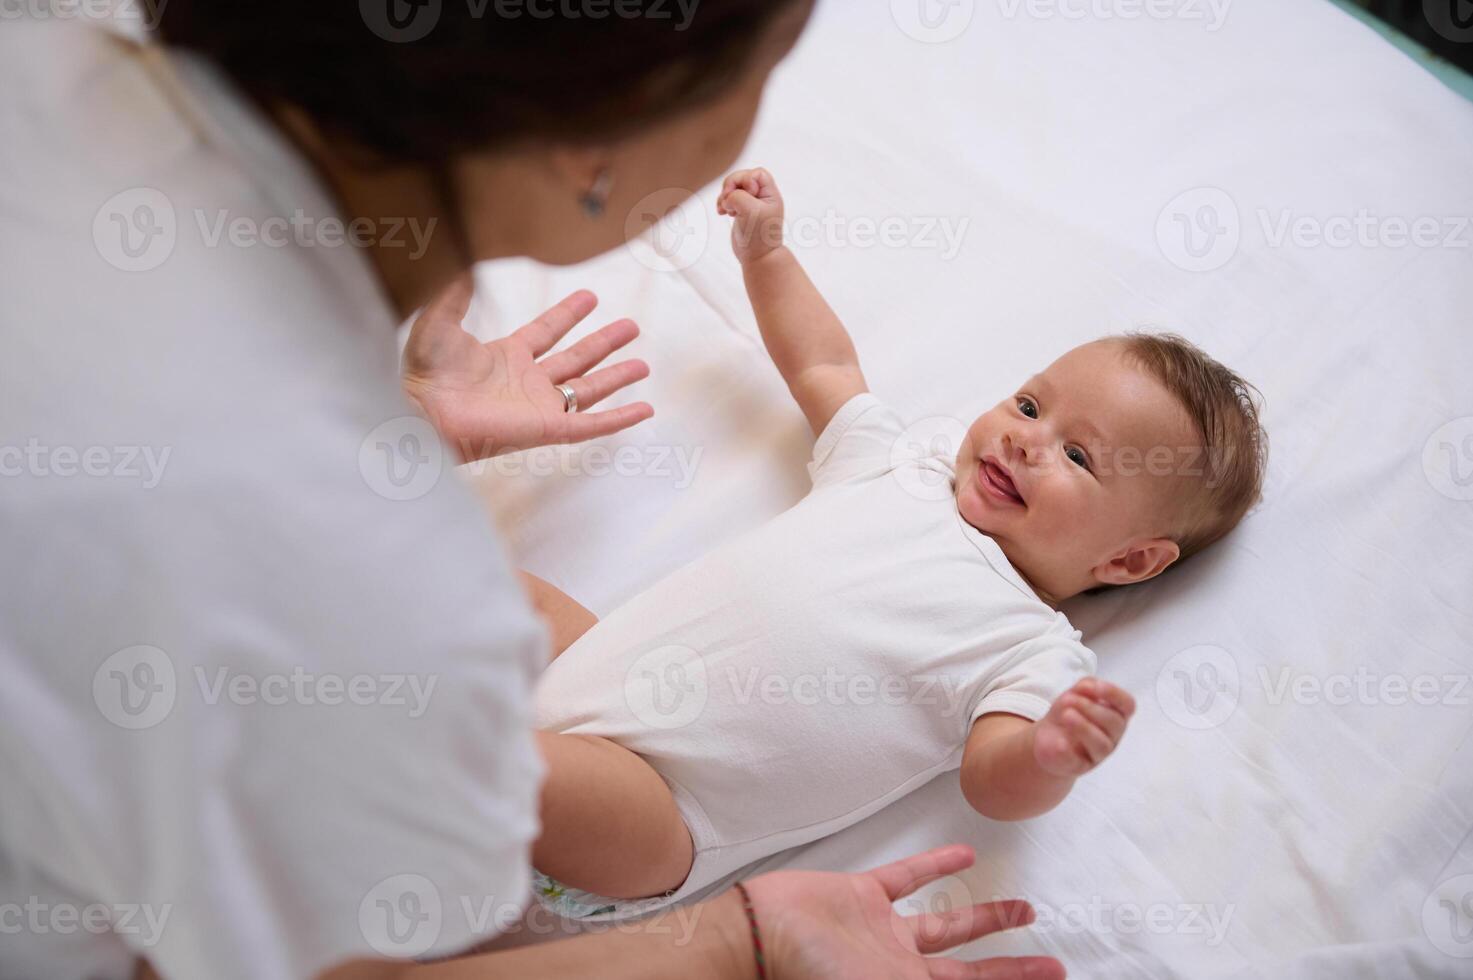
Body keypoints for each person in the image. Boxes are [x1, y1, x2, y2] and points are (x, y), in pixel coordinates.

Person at [0, 3, 1064, 979]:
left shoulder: (37, 72)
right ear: (593, 150)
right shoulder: (396, 617)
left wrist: (381, 424)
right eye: (770, 68)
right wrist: (739, 942)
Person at [525, 167, 1265, 915]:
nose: (1024, 439)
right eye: (1030, 403)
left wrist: (1047, 757)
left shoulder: (1032, 649)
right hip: (583, 670)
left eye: (1077, 456)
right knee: (493, 590)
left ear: (1128, 559)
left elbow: (991, 782)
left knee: (508, 762)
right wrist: (767, 253)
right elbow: (823, 363)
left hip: (656, 806)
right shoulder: (897, 467)